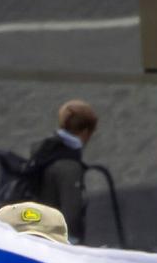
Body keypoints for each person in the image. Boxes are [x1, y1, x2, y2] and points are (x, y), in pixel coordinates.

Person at [20, 100, 99, 241]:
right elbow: (71, 213)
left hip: (36, 234)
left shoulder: (44, 152)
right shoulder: (69, 166)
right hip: (56, 243)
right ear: (86, 132)